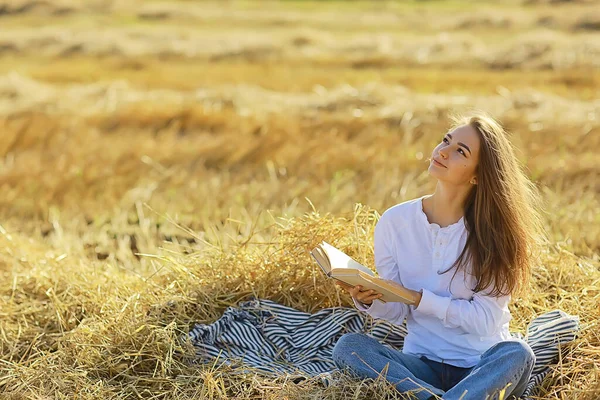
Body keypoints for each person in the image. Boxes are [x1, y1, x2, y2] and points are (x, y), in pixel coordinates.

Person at [332, 111, 547, 400]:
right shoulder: (395, 222)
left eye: (461, 151)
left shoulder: (495, 235)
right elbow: (398, 312)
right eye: (446, 141)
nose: (443, 152)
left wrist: (419, 298)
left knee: (518, 353)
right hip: (421, 365)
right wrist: (368, 299)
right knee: (349, 347)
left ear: (477, 176)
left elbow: (485, 320)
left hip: (483, 367)